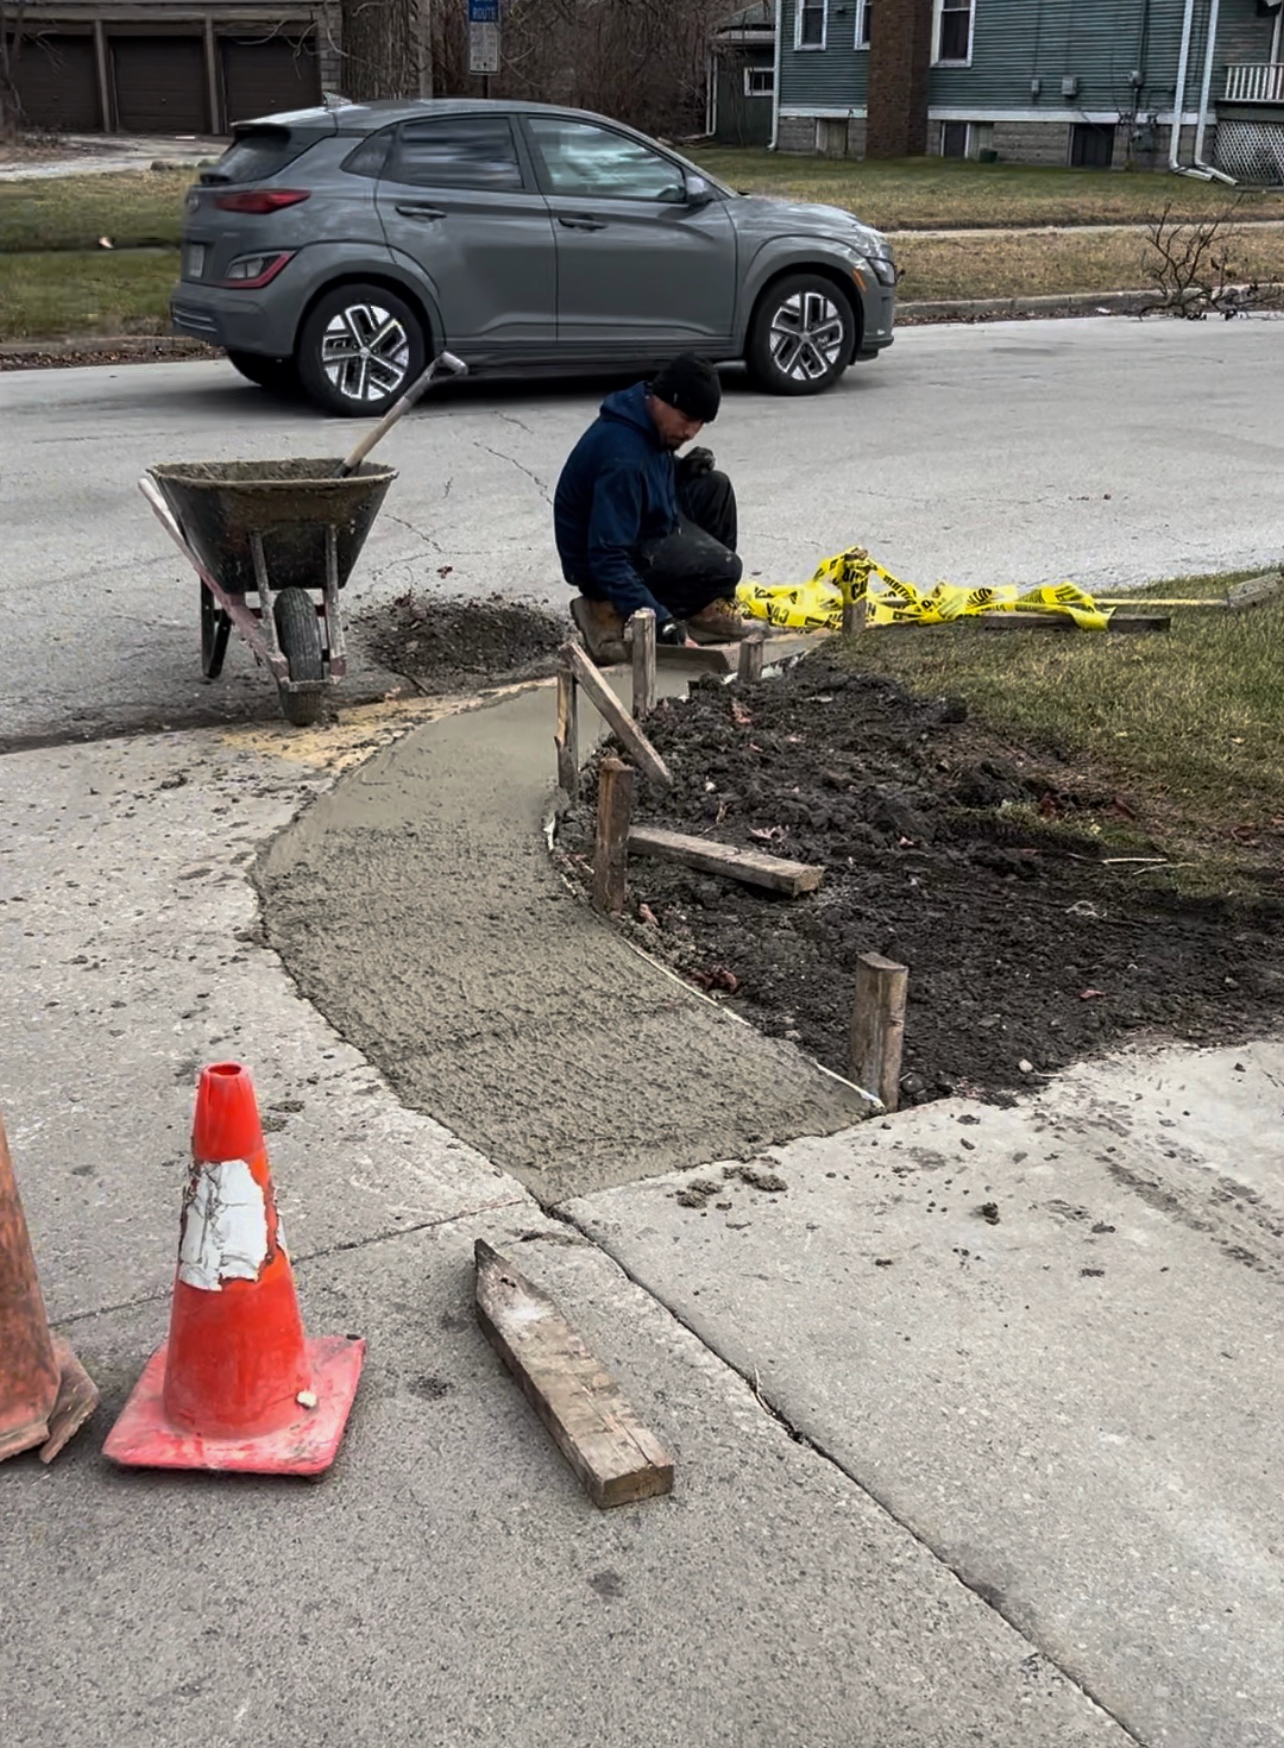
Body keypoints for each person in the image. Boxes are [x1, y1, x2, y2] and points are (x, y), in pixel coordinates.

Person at [553, 353, 754, 664]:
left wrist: (682, 470)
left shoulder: (646, 419)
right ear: (663, 400)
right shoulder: (623, 458)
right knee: (725, 568)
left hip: (637, 525)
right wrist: (662, 623)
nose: (690, 433)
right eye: (686, 420)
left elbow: (651, 471)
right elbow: (607, 556)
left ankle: (701, 609)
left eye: (699, 425)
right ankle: (605, 612)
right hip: (601, 564)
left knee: (715, 487)